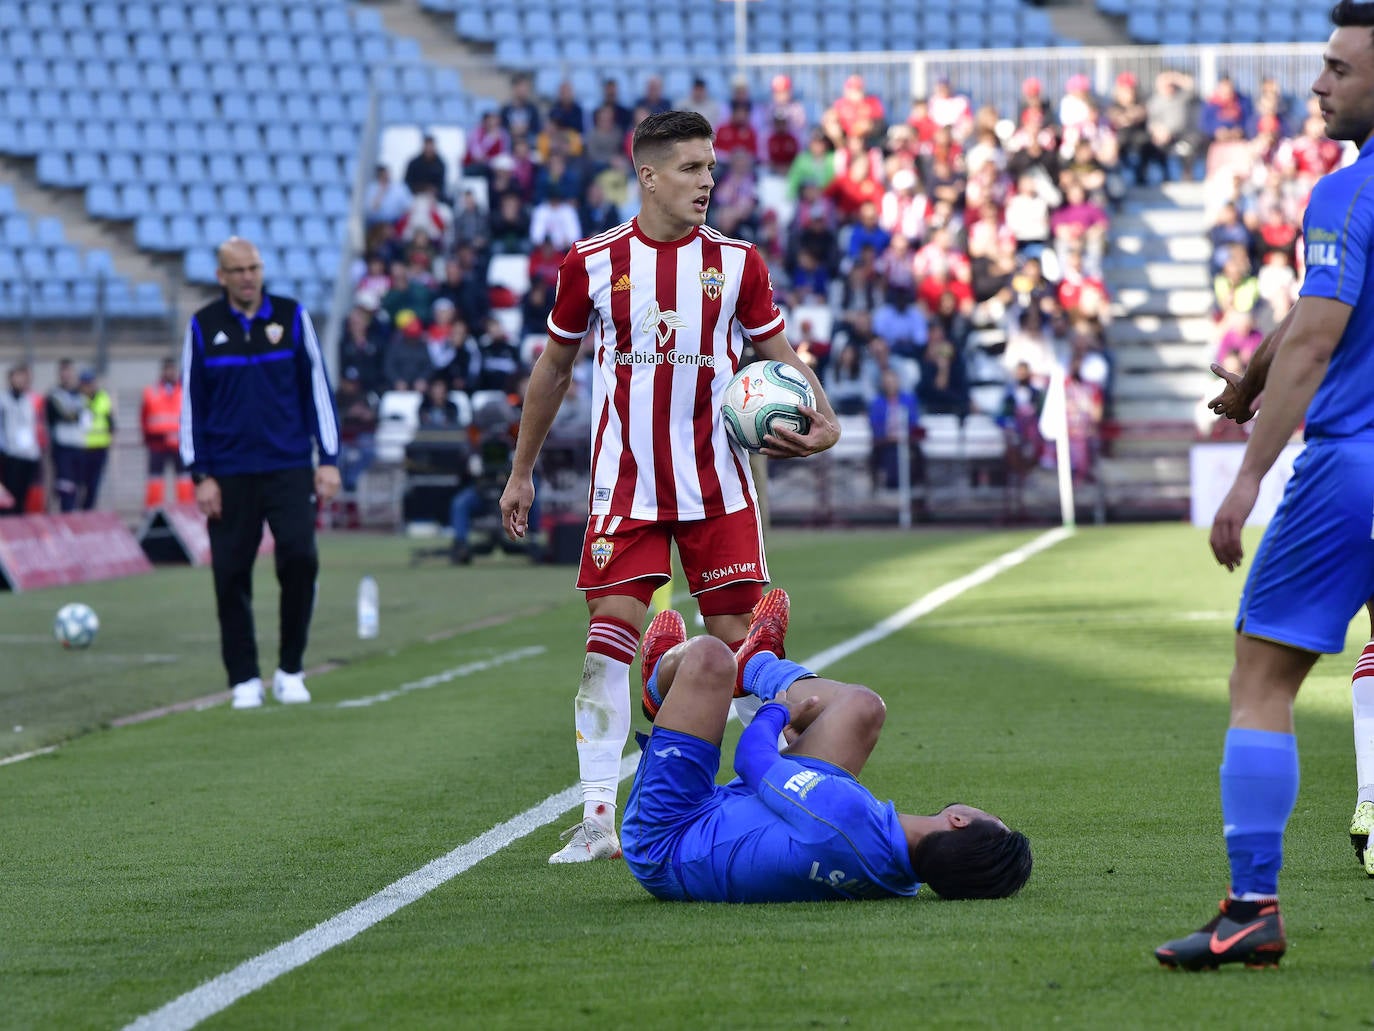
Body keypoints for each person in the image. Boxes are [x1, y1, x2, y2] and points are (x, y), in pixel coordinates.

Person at [499, 111, 841, 864]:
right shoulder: (589, 263)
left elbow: (777, 352)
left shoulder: (739, 262)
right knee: (603, 644)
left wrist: (826, 417)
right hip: (626, 487)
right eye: (690, 168)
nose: (707, 182)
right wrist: (521, 469)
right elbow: (552, 371)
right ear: (647, 175)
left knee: (739, 652)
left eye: (711, 168)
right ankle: (596, 818)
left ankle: (775, 793)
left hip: (718, 484)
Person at [1157, 7, 1374, 970]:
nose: (1318, 84)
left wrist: (1247, 477)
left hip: (1353, 467)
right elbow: (1314, 310)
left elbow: (1324, 335)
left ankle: (1249, 907)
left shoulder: (1345, 193)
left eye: (1337, 67)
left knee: (1262, 677)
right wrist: (1252, 370)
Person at [622, 589, 1033, 902]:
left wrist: (780, 714)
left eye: (991, 818)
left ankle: (660, 685)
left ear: (960, 821)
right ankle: (758, 663)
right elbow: (814, 822)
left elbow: (750, 757)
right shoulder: (900, 882)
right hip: (755, 815)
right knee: (863, 708)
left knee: (711, 658)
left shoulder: (846, 815)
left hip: (670, 837)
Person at [180, 237, 341, 710]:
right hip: (228, 473)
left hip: (288, 465)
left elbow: (318, 390)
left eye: (254, 267)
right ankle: (244, 678)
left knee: (299, 558)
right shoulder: (203, 326)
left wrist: (327, 460)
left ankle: (291, 668)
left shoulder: (291, 316)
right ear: (221, 276)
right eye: (238, 270)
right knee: (230, 574)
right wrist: (200, 474)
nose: (249, 276)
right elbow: (192, 403)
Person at [141, 357, 193, 509]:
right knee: (155, 479)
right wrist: (149, 439)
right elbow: (144, 417)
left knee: (184, 479)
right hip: (158, 443)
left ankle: (186, 510)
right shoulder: (151, 391)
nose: (170, 372)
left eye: (172, 369)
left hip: (179, 444)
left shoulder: (183, 390)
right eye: (167, 369)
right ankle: (153, 512)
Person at [0, 362, 41, 515]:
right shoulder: (3, 400)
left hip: (28, 454)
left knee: (23, 494)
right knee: (10, 493)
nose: (20, 381)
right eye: (17, 377)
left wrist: (34, 450)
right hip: (10, 454)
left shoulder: (29, 400)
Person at [46, 358, 85, 513]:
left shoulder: (80, 395)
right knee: (64, 484)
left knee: (78, 484)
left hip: (79, 443)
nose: (66, 375)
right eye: (63, 371)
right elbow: (67, 415)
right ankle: (66, 513)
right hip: (62, 445)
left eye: (69, 371)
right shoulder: (55, 395)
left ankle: (74, 512)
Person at [76, 369, 114, 511]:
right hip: (81, 447)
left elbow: (110, 421)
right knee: (80, 484)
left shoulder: (103, 397)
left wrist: (110, 439)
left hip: (99, 447)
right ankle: (79, 510)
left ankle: (88, 510)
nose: (88, 387)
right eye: (85, 384)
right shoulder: (76, 399)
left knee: (94, 484)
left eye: (90, 383)